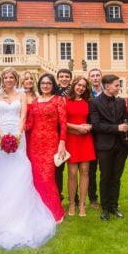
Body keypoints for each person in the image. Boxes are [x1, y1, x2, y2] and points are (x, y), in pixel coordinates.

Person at [0, 68, 56, 250]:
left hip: (18, 134)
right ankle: (0, 210)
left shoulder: (22, 95)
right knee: (2, 168)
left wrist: (17, 135)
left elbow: (23, 115)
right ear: (2, 80)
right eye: (6, 78)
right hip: (2, 133)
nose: (8, 80)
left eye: (11, 77)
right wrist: (2, 136)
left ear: (15, 79)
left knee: (19, 167)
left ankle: (19, 210)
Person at [89, 74, 128, 221]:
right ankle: (105, 208)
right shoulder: (94, 102)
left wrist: (127, 141)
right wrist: (117, 128)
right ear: (107, 86)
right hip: (104, 146)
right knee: (105, 177)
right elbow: (96, 125)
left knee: (116, 177)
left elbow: (126, 121)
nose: (119, 88)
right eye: (117, 85)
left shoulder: (120, 102)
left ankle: (114, 206)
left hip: (121, 146)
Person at [26, 73, 67, 223]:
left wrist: (62, 143)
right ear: (39, 85)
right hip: (35, 144)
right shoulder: (35, 102)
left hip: (51, 142)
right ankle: (40, 210)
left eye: (48, 83)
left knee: (47, 177)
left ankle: (55, 212)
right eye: (43, 83)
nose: (45, 86)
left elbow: (63, 124)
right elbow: (29, 124)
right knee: (36, 178)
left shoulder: (58, 100)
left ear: (53, 85)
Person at [65, 76, 95, 217]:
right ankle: (72, 203)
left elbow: (94, 120)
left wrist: (88, 127)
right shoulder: (65, 101)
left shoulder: (88, 102)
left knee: (84, 172)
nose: (81, 88)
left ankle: (82, 204)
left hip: (85, 139)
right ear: (74, 85)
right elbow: (61, 122)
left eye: (83, 86)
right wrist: (77, 127)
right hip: (71, 139)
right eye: (78, 85)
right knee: (71, 173)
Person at [54, 68, 73, 202]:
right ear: (58, 78)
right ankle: (58, 195)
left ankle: (75, 197)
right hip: (56, 132)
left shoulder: (74, 92)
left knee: (73, 169)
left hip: (72, 132)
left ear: (70, 78)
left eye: (67, 76)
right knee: (58, 167)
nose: (64, 79)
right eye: (61, 76)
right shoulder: (54, 92)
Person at [87, 68, 103, 209]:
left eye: (98, 75)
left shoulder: (108, 91)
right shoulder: (87, 94)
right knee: (91, 169)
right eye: (93, 76)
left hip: (106, 136)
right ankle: (93, 198)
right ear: (89, 79)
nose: (95, 78)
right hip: (91, 136)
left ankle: (107, 197)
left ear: (101, 77)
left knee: (105, 169)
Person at [21, 70, 38, 149]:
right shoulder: (18, 96)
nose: (30, 80)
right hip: (23, 130)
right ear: (22, 81)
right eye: (26, 79)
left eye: (31, 78)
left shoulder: (37, 96)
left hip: (35, 130)